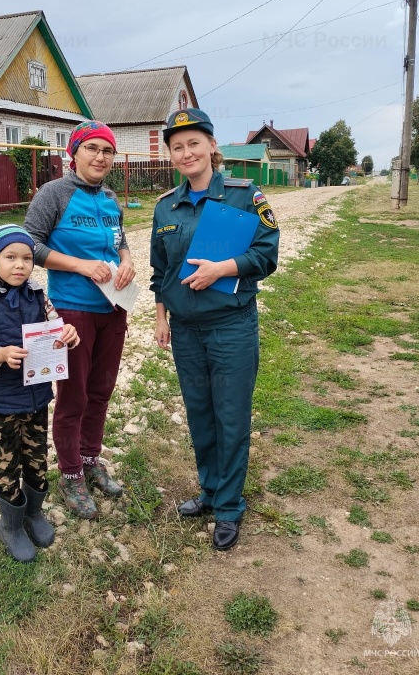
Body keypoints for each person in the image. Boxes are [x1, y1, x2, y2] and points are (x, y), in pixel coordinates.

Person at [150, 109, 280, 551]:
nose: (186, 153)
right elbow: (160, 268)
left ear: (210, 146)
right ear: (171, 155)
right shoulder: (166, 206)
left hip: (231, 326)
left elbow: (267, 254)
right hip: (185, 330)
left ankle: (228, 507)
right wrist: (160, 314)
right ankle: (209, 490)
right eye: (177, 147)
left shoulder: (245, 196)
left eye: (193, 143)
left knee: (230, 417)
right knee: (200, 416)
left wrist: (223, 268)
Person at [24, 120, 136, 520]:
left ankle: (90, 459)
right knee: (73, 395)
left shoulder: (109, 197)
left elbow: (120, 239)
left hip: (114, 307)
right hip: (72, 311)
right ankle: (70, 473)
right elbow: (29, 245)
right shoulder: (53, 194)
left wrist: (127, 261)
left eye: (107, 151)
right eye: (92, 149)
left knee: (101, 389)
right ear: (74, 154)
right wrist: (82, 266)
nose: (100, 157)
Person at [0, 224, 80, 562]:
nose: (20, 265)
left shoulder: (38, 296)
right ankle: (10, 524)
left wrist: (68, 334)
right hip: (2, 403)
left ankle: (33, 513)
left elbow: (56, 328)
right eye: (10, 257)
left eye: (27, 258)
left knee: (37, 457)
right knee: (8, 462)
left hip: (37, 396)